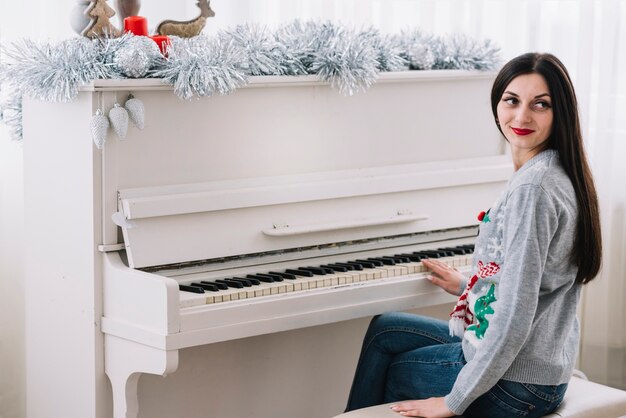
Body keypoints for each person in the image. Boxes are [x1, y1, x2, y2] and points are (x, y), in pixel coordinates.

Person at [344, 52, 602, 418]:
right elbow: (532, 279)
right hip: (539, 367)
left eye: (540, 105)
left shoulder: (534, 187)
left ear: (560, 111)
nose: (521, 116)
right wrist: (470, 286)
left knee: (395, 367)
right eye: (511, 100)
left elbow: (514, 314)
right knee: (386, 329)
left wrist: (453, 401)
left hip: (518, 383)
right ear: (497, 103)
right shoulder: (556, 170)